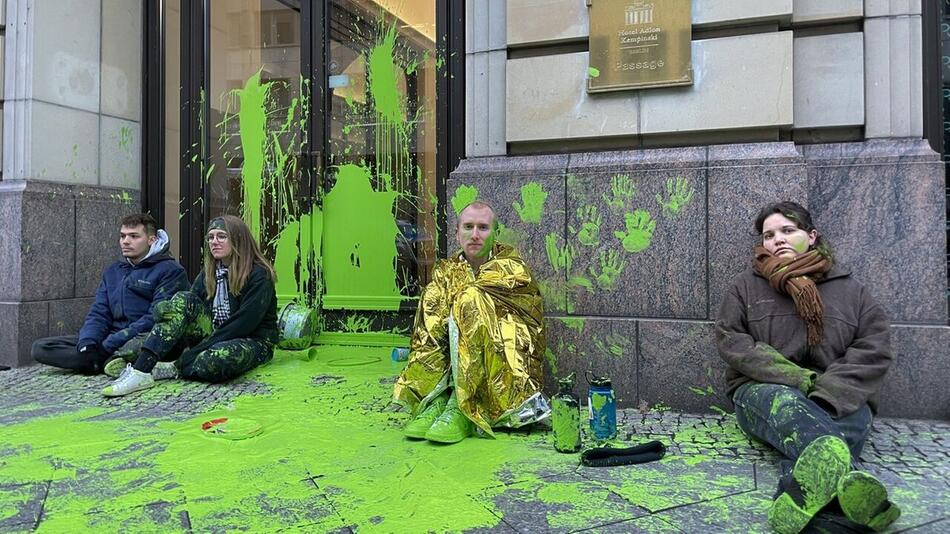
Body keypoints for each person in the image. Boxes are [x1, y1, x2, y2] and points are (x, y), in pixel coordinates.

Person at [717, 201, 901, 534]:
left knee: (837, 429)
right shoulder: (744, 287)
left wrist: (827, 390)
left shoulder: (852, 291)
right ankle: (855, 504)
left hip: (841, 394)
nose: (778, 240)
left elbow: (873, 348)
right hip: (762, 390)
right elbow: (734, 343)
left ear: (811, 236)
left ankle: (805, 510)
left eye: (788, 230)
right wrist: (799, 379)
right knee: (787, 406)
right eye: (769, 235)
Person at [393, 201, 548, 444]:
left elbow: (524, 327)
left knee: (470, 298)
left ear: (495, 233)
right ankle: (439, 397)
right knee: (434, 295)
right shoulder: (447, 271)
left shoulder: (512, 269)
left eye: (483, 227)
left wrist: (470, 304)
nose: (475, 235)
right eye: (468, 227)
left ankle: (465, 405)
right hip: (453, 363)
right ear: (457, 233)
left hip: (502, 363)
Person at [102, 215, 279, 397]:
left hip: (251, 339)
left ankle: (171, 367)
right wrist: (165, 313)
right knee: (139, 341)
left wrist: (191, 353)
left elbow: (244, 324)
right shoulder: (209, 272)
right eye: (210, 237)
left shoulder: (259, 274)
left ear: (238, 239)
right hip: (210, 333)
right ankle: (141, 371)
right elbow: (189, 305)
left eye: (221, 236)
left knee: (216, 359)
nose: (214, 242)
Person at [31, 213, 188, 375]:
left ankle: (106, 360)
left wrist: (107, 345)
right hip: (111, 336)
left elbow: (153, 319)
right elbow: (99, 312)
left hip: (146, 336)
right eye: (122, 236)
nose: (126, 241)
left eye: (134, 236)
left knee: (135, 347)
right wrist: (88, 344)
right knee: (41, 348)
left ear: (151, 240)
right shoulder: (113, 271)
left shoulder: (170, 271)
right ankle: (98, 361)